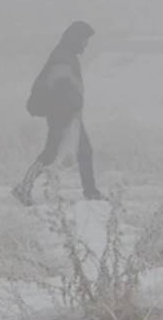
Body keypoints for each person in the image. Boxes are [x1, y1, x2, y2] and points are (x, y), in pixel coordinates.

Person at [12, 21, 104, 205]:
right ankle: (24, 188)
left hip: (68, 112)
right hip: (63, 113)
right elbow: (61, 85)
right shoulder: (63, 57)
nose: (86, 44)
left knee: (80, 151)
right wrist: (71, 106)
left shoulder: (65, 55)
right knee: (52, 153)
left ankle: (90, 191)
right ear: (76, 39)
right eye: (85, 40)